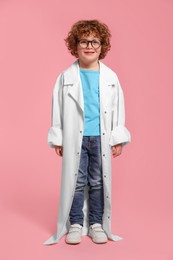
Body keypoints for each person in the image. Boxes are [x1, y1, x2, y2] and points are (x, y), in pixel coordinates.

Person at [44, 20, 131, 245]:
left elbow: (118, 109)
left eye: (94, 41)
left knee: (98, 181)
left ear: (102, 46)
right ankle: (75, 223)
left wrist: (117, 138)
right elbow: (58, 109)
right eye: (84, 41)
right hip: (76, 138)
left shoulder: (111, 77)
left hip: (100, 138)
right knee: (77, 180)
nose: (89, 46)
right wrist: (60, 137)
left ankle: (95, 224)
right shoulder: (66, 77)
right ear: (76, 45)